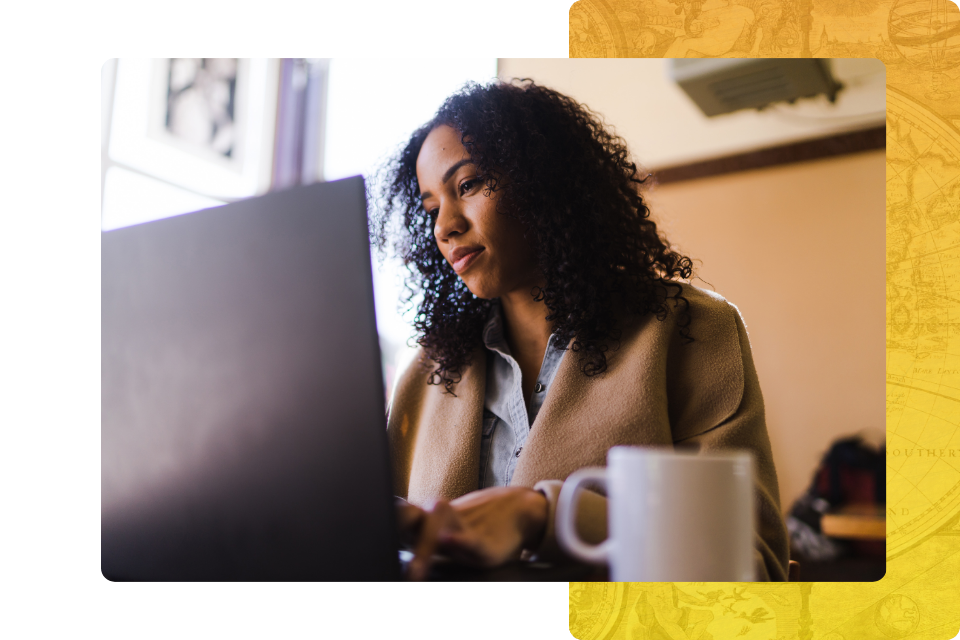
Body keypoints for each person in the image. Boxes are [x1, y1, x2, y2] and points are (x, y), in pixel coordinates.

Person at [370, 79, 789, 582]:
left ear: (542, 180)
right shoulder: (429, 370)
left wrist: (546, 515)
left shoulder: (692, 332)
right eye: (432, 208)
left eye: (468, 185)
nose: (446, 227)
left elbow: (752, 566)